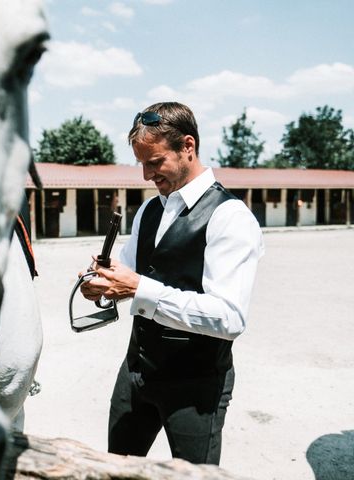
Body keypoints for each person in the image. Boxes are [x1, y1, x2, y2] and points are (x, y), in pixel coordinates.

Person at [79, 101, 264, 465]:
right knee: (117, 471)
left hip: (195, 386)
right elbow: (127, 274)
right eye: (141, 164)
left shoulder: (230, 217)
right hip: (136, 373)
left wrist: (138, 289)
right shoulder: (149, 209)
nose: (146, 176)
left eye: (155, 162)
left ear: (188, 147)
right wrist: (100, 284)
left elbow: (229, 318)